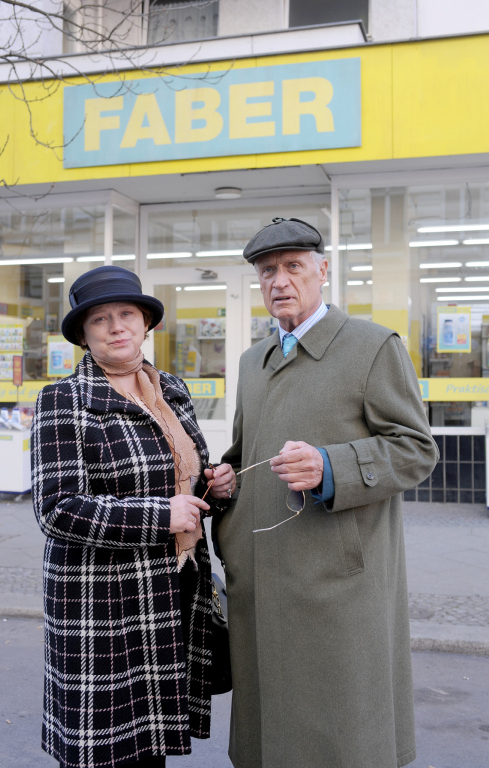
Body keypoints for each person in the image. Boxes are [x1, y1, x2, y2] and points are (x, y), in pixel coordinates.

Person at [216, 218, 439, 768]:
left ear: (323, 271)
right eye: (267, 271)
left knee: (339, 734)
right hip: (262, 578)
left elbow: (415, 449)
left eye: (293, 266)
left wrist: (331, 465)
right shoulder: (253, 361)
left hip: (336, 584)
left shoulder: (371, 346)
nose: (279, 281)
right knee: (269, 734)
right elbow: (246, 453)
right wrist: (223, 479)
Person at [31, 265, 235, 768]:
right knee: (104, 752)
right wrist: (160, 516)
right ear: (84, 334)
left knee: (148, 750)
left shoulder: (174, 391)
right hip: (101, 603)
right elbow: (57, 508)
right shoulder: (64, 400)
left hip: (170, 589)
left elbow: (185, 475)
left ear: (147, 324)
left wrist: (217, 484)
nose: (116, 326)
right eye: (100, 319)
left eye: (127, 314)